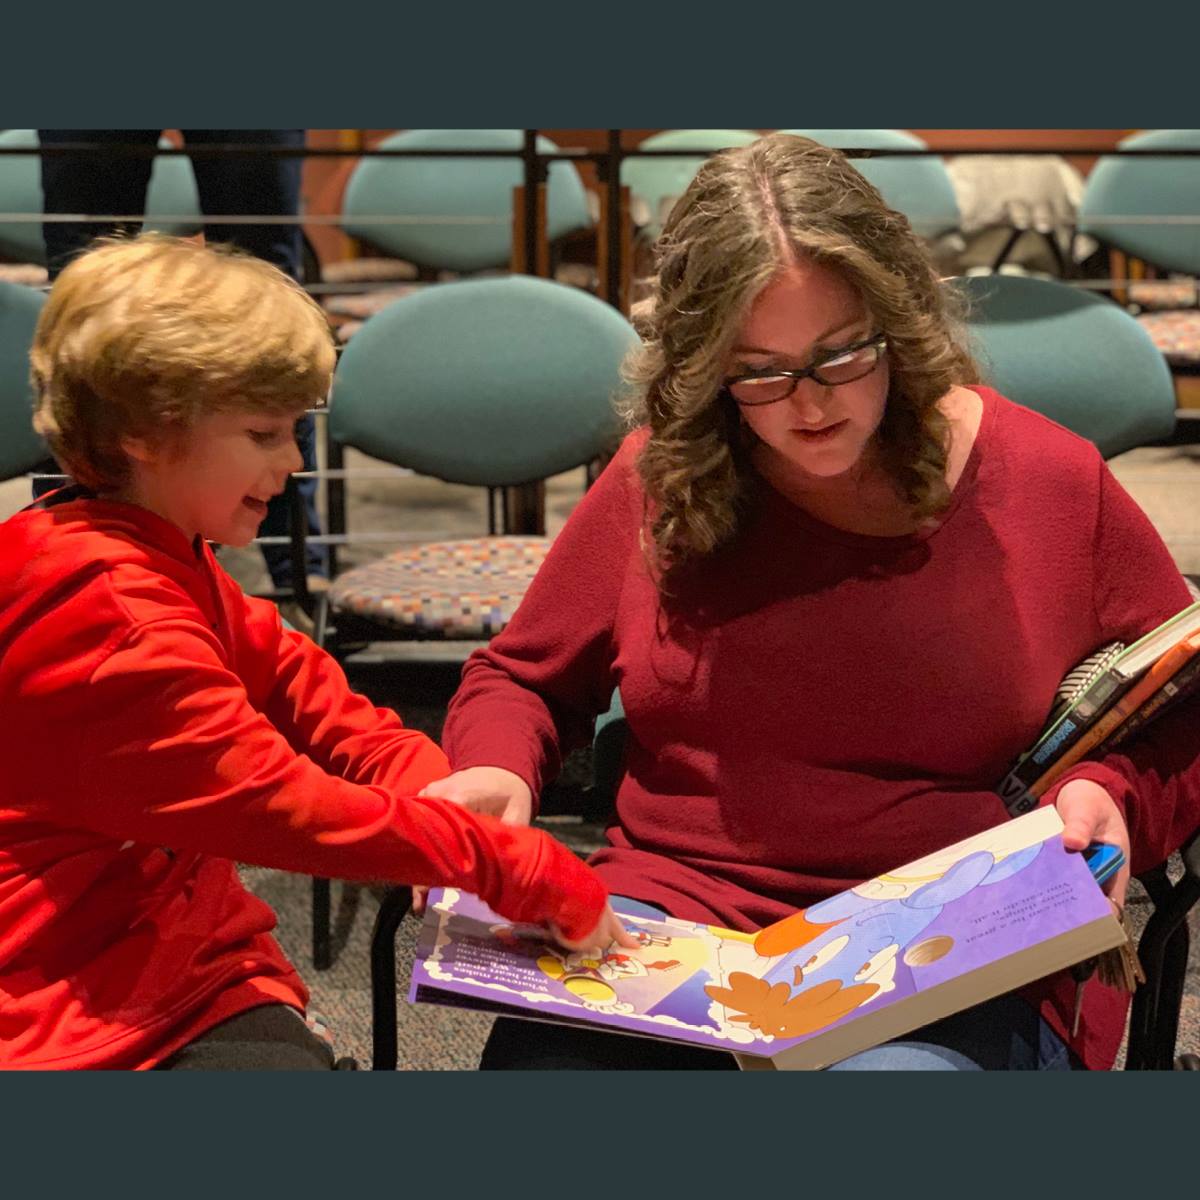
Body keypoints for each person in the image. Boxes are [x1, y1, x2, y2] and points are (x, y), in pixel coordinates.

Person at [422, 133, 1200, 1071]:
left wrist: (1112, 794)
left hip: (949, 934)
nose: (810, 405)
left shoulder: (1046, 480)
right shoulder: (664, 478)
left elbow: (1187, 707)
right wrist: (498, 768)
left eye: (842, 356)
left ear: (898, 323)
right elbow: (522, 678)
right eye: (760, 370)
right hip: (676, 917)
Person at [0, 234, 629, 1070]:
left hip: (158, 942)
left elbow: (298, 679)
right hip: (67, 998)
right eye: (264, 433)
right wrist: (514, 862)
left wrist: (424, 781)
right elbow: (285, 806)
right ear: (147, 431)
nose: (294, 461)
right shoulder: (112, 621)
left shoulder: (139, 544)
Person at [32, 129, 325, 594]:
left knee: (268, 302)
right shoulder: (146, 632)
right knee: (82, 293)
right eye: (264, 435)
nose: (296, 460)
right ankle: (67, 568)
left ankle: (298, 580)